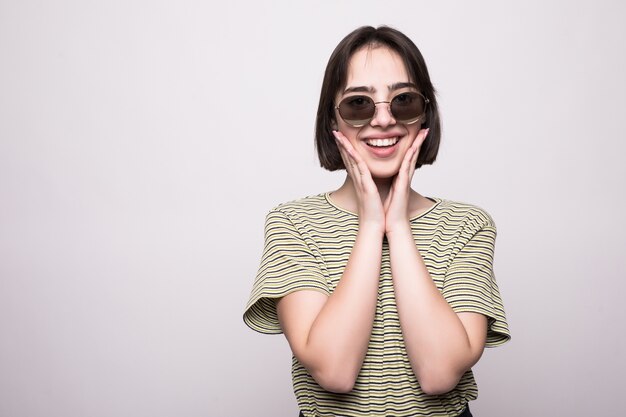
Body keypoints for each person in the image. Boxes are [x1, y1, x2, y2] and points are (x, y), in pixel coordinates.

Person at [244, 25, 510, 417]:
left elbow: (438, 375)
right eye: (359, 104)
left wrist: (399, 227)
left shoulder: (468, 225)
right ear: (331, 119)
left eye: (402, 100)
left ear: (424, 113)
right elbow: (334, 372)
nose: (383, 119)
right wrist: (371, 226)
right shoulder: (292, 223)